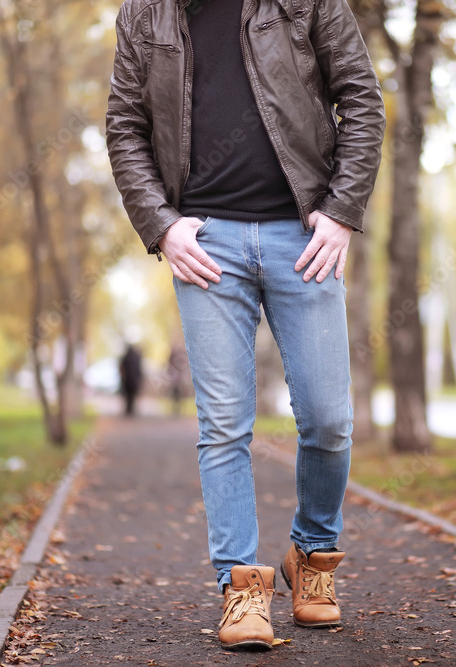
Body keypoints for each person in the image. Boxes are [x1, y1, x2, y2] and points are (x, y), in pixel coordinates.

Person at [106, 0, 385, 650]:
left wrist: (343, 210)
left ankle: (313, 558)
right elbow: (125, 125)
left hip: (304, 233)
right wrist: (162, 225)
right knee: (224, 424)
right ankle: (241, 588)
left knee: (327, 418)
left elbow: (361, 97)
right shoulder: (143, 13)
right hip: (205, 245)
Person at [118, 344, 142, 416]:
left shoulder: (125, 357)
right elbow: (139, 369)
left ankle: (128, 409)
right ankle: (131, 409)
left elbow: (121, 367)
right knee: (132, 395)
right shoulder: (137, 357)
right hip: (134, 379)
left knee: (128, 395)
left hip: (127, 379)